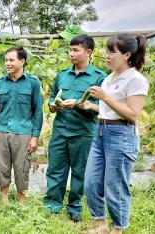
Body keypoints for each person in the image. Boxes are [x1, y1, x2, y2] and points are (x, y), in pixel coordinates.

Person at [81, 34, 149, 234]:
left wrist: (105, 97)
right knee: (91, 182)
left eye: (112, 52)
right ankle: (100, 225)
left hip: (121, 135)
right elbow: (108, 110)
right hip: (100, 131)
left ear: (127, 54)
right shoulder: (109, 78)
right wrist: (92, 106)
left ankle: (117, 230)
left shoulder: (136, 79)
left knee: (115, 187)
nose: (106, 55)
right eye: (106, 51)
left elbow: (133, 114)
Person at [43, 34, 106, 222]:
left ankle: (75, 207)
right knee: (55, 170)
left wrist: (79, 104)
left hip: (83, 133)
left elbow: (103, 107)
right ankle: (52, 205)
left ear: (88, 52)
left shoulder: (99, 78)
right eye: (70, 50)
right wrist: (53, 105)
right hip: (60, 131)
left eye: (75, 50)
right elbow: (53, 96)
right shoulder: (62, 74)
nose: (71, 54)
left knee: (80, 171)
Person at [0, 46, 43, 204]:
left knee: (22, 167)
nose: (7, 63)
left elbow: (37, 111)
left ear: (22, 61)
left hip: (23, 131)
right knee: (2, 166)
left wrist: (35, 136)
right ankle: (4, 199)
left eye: (11, 60)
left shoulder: (33, 83)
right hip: (1, 131)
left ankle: (21, 200)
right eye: (6, 60)